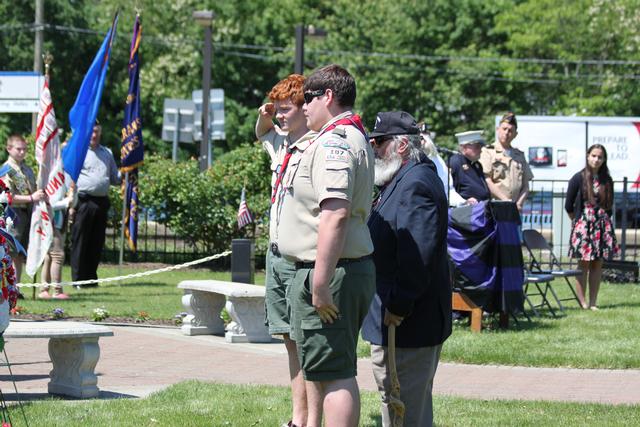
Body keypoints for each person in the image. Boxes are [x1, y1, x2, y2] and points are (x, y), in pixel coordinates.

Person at [278, 64, 375, 427]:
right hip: (341, 268)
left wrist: (319, 282)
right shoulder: (349, 136)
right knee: (331, 367)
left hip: (332, 272)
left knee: (335, 373)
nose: (303, 107)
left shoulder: (334, 142)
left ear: (329, 97)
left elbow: (335, 214)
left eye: (309, 99)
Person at [362, 111, 452, 427]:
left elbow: (419, 253)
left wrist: (399, 305)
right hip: (399, 321)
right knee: (398, 404)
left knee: (406, 409)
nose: (373, 148)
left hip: (406, 323)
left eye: (379, 142)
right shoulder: (401, 178)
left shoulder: (415, 183)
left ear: (401, 145)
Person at [255, 74, 317, 427]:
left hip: (301, 260)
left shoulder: (316, 147)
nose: (278, 115)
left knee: (307, 343)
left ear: (305, 109)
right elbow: (261, 131)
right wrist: (267, 111)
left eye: (285, 109)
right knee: (290, 341)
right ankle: (298, 417)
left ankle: (312, 418)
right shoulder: (280, 144)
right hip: (277, 255)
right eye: (276, 109)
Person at [565, 144, 619, 310]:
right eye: (593, 156)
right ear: (588, 156)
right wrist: (579, 222)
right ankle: (583, 303)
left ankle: (593, 302)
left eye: (600, 157)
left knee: (597, 264)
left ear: (604, 160)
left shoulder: (607, 180)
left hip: (602, 226)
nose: (596, 159)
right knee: (584, 264)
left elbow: (609, 205)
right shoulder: (578, 178)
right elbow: (569, 205)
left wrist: (603, 223)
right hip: (583, 225)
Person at [70, 124, 119, 284]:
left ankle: (91, 278)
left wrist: (126, 171)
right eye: (91, 132)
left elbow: (114, 178)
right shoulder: (80, 151)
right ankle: (78, 279)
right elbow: (70, 177)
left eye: (97, 132)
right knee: (81, 241)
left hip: (101, 202)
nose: (94, 135)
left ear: (100, 133)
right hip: (84, 202)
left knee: (96, 242)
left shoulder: (107, 153)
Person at [1, 135, 47, 282]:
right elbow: (7, 196)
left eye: (24, 149)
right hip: (12, 214)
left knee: (20, 253)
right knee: (10, 252)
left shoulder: (26, 169)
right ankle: (8, 287)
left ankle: (17, 286)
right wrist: (31, 198)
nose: (22, 152)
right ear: (9, 149)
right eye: (18, 149)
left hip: (27, 213)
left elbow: (32, 189)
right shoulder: (6, 170)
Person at [479, 112, 533, 211]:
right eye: (504, 129)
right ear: (497, 130)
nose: (506, 133)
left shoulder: (520, 156)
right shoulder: (488, 152)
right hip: (495, 207)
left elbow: (526, 185)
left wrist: (519, 203)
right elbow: (487, 180)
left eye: (510, 130)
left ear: (515, 134)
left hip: (515, 209)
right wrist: (506, 201)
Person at [38, 181, 77, 299]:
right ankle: (57, 291)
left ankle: (44, 290)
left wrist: (73, 193)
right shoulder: (52, 179)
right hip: (50, 222)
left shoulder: (66, 180)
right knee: (58, 255)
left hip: (60, 224)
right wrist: (66, 202)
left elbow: (72, 204)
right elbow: (49, 204)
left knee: (49, 257)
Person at [450, 130, 490, 205]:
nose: (481, 150)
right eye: (477, 147)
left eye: (481, 146)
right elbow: (449, 190)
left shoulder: (477, 164)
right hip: (465, 212)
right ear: (464, 147)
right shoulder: (455, 163)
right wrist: (463, 201)